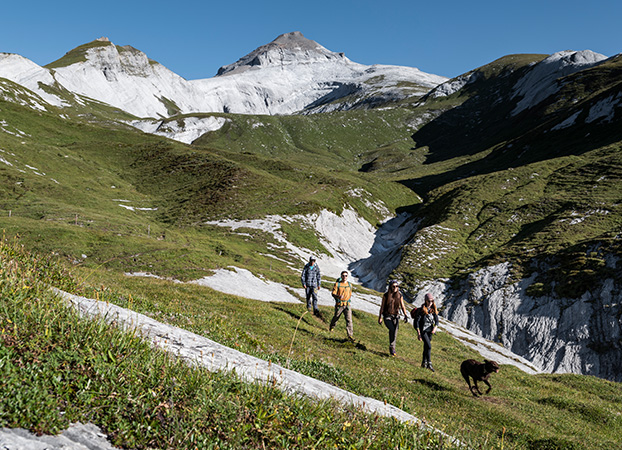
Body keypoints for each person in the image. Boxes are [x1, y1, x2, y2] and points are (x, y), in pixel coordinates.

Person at [378, 280, 408, 357]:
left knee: (394, 332)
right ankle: (392, 346)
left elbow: (402, 306)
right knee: (393, 329)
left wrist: (405, 315)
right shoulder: (386, 295)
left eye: (397, 286)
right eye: (394, 286)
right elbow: (382, 307)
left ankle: (392, 348)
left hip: (396, 316)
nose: (395, 288)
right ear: (390, 287)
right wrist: (380, 317)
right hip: (387, 316)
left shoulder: (400, 295)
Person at [417, 293, 439, 372]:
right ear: (426, 301)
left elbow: (437, 321)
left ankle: (424, 363)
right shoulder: (422, 310)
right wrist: (419, 334)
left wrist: (434, 329)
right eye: (429, 301)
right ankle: (429, 364)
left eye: (432, 301)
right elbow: (417, 323)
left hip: (430, 332)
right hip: (423, 331)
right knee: (429, 346)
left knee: (426, 347)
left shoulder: (433, 310)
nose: (430, 303)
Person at [329, 270, 354, 340]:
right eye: (343, 276)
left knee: (349, 320)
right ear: (341, 276)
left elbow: (350, 294)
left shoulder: (349, 285)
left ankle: (350, 335)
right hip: (339, 304)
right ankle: (332, 327)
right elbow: (333, 293)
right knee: (336, 317)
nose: (344, 277)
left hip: (347, 305)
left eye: (346, 276)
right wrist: (338, 296)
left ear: (347, 277)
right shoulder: (337, 284)